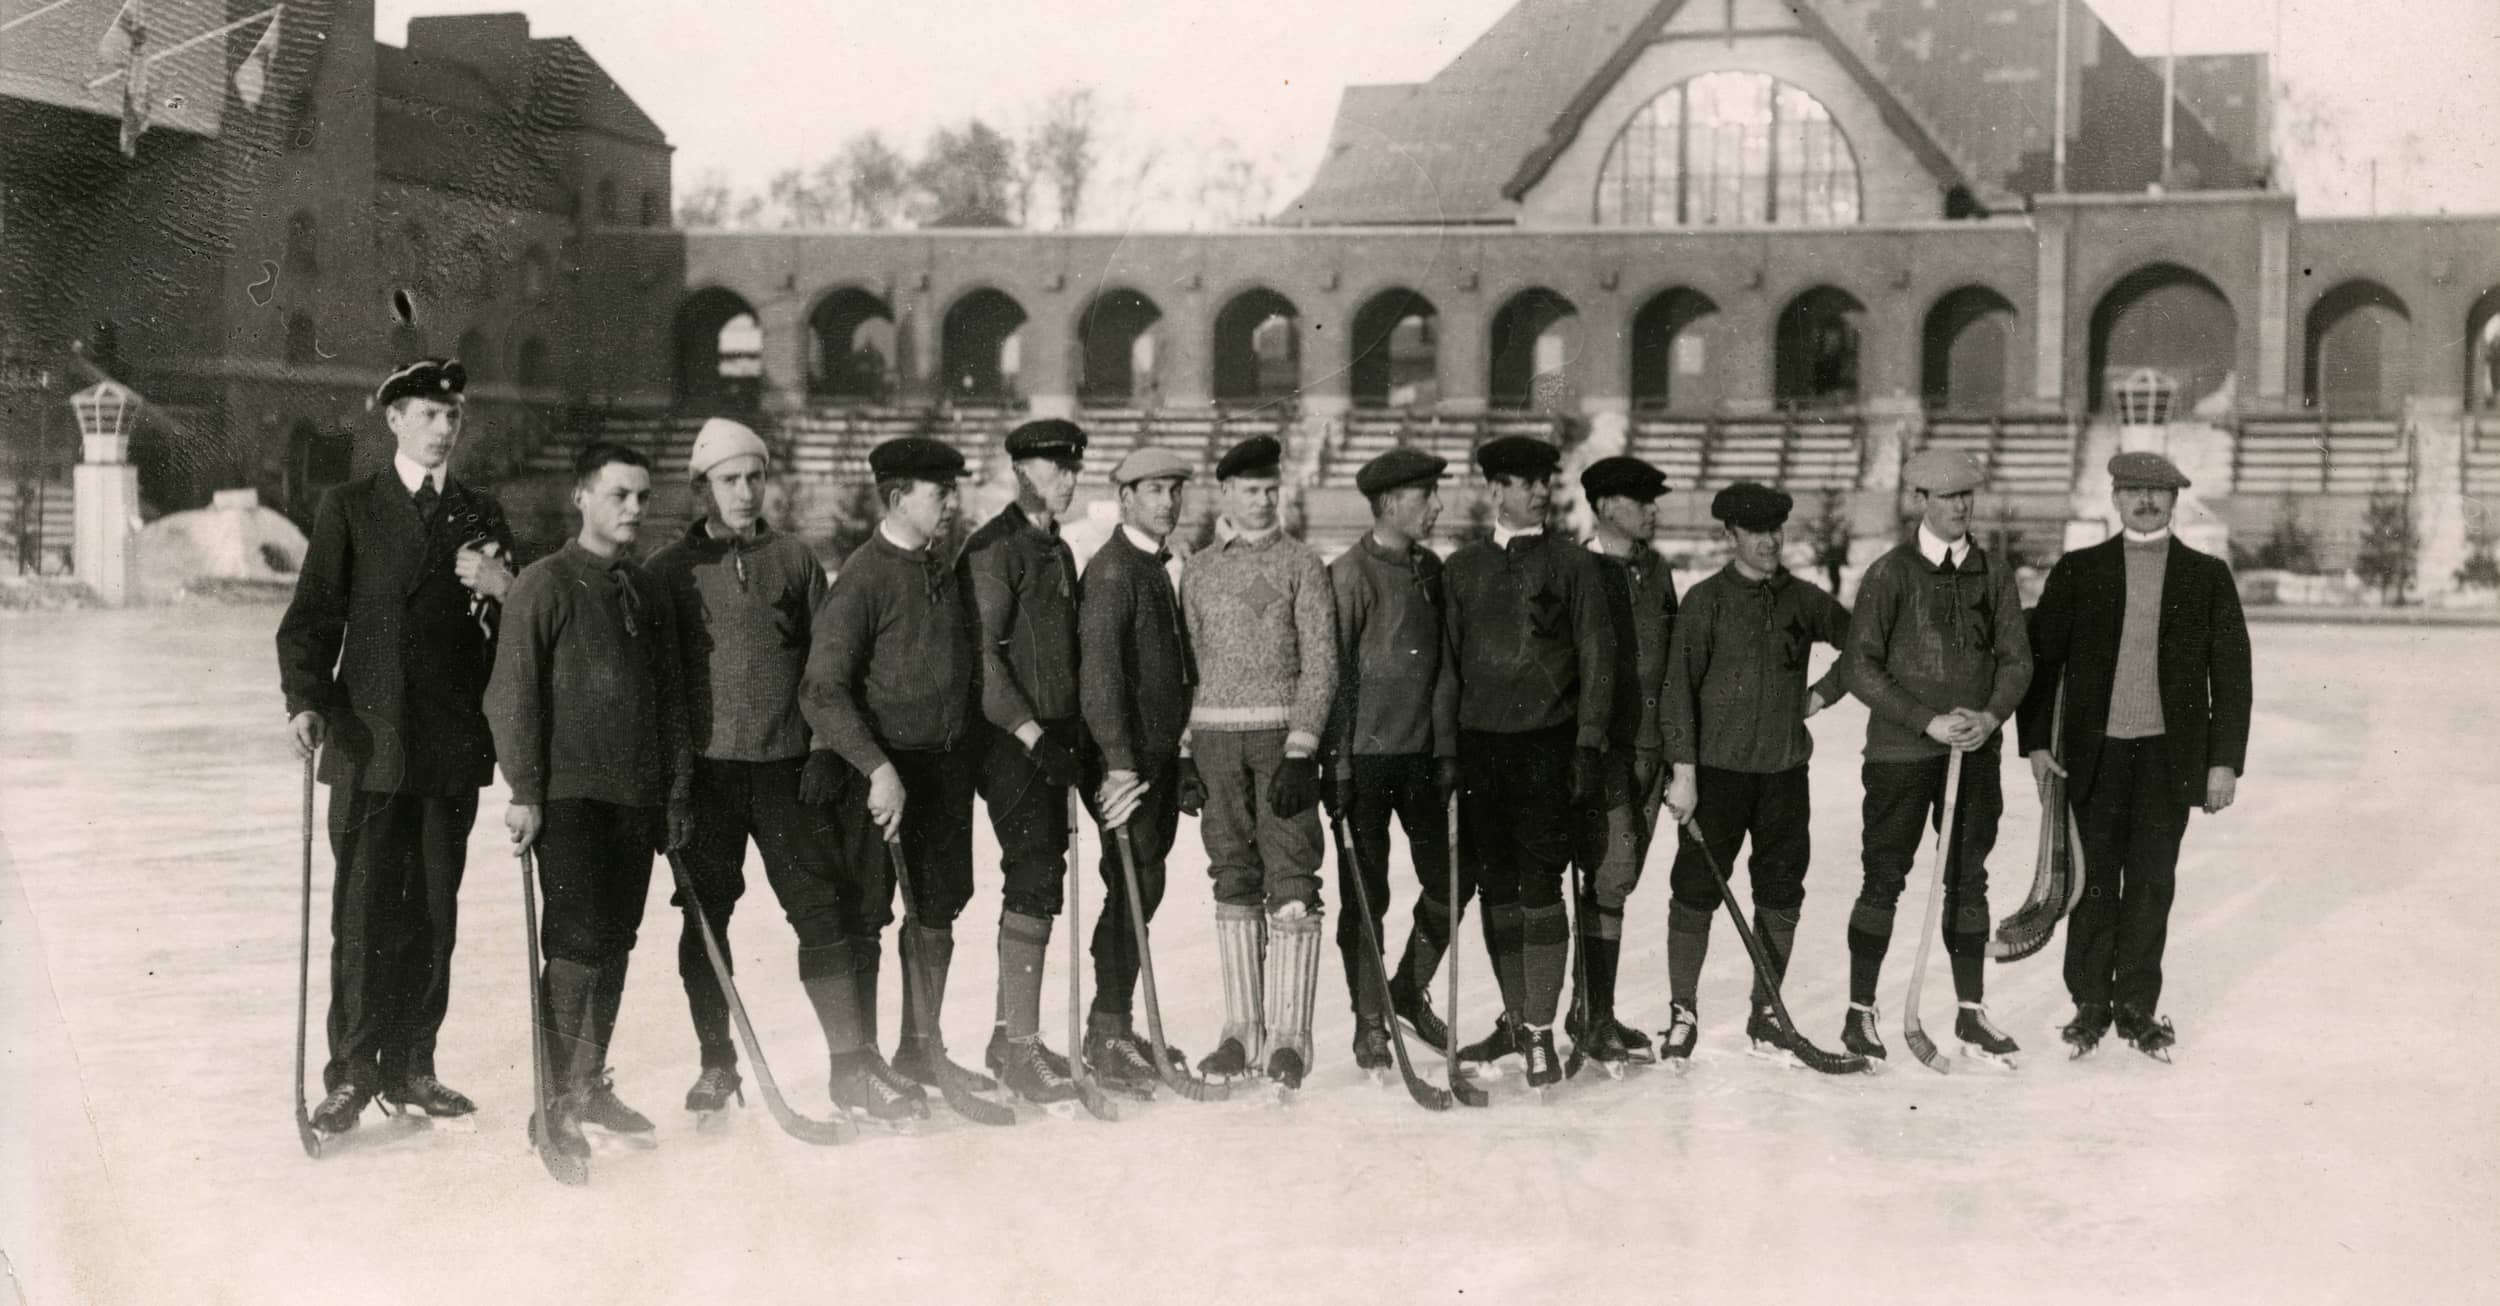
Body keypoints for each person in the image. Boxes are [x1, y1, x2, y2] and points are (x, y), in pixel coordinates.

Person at [276, 357, 516, 1136]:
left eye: (453, 416)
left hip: (449, 749)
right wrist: (305, 699)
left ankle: (414, 1066)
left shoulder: (481, 515)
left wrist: (502, 588)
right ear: (393, 421)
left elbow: (512, 641)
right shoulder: (351, 507)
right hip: (368, 743)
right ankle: (350, 1074)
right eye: (428, 414)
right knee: (364, 912)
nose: (444, 429)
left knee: (435, 917)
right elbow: (313, 615)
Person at [486, 441, 690, 1161]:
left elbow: (668, 702)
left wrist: (672, 795)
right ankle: (555, 1101)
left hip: (634, 800)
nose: (635, 508)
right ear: (582, 498)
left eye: (642, 496)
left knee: (616, 943)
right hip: (569, 799)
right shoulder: (543, 584)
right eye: (618, 495)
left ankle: (587, 1080)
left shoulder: (642, 589)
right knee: (575, 945)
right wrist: (526, 791)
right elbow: (510, 696)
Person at [644, 418, 852, 1115]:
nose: (744, 491)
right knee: (705, 919)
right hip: (706, 775)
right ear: (703, 487)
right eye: (730, 480)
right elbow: (659, 686)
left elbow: (826, 670)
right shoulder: (670, 572)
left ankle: (849, 1064)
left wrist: (823, 750)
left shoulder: (795, 560)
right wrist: (672, 789)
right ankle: (717, 1063)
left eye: (755, 477)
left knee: (821, 911)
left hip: (788, 770)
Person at [2019, 452, 2250, 1059]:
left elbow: (2232, 676)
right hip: (2093, 757)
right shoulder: (2079, 571)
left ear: (2175, 501)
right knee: (2092, 883)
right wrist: (2038, 743)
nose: (2146, 501)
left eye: (2158, 491)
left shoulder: (2207, 576)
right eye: (2134, 491)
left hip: (2168, 760)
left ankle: (2138, 1008)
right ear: (2115, 499)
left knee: (2151, 883)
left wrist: (2223, 761)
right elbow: (2042, 662)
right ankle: (2091, 1005)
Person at [798, 437, 990, 1125]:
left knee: (939, 905)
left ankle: (918, 1047)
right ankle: (866, 1062)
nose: (951, 503)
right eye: (938, 492)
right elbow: (821, 689)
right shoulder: (864, 576)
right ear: (896, 498)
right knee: (870, 914)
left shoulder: (937, 565)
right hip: (884, 773)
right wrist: (875, 768)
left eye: (952, 490)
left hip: (942, 770)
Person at [1839, 448, 2032, 1065]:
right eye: (1947, 497)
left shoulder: (1992, 574)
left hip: (1973, 752)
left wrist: (1990, 715)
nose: (1960, 507)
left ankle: (1971, 1014)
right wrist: (1924, 719)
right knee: (1884, 878)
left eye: (1966, 496)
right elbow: (1858, 666)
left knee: (1968, 879)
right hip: (1900, 753)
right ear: (1919, 499)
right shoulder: (1889, 573)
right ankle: (1859, 1013)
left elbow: (2016, 659)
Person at [1656, 482, 1851, 1064]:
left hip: (1784, 775)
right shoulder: (1705, 602)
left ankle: (1767, 1011)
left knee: (1781, 892)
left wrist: (1823, 693)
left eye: (1775, 530)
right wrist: (1683, 773)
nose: (1768, 542)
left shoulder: (1805, 600)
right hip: (1717, 776)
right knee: (1693, 892)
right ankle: (1682, 1010)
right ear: (1731, 536)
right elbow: (1676, 694)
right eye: (1755, 532)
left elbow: (1866, 644)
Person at [1445, 435, 1615, 1091]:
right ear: (1495, 490)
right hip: (1482, 750)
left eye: (1545, 478)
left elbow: (1598, 660)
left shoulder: (1574, 566)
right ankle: (1516, 1016)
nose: (1539, 490)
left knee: (1542, 885)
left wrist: (1588, 743)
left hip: (1549, 747)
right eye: (1523, 480)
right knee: (1497, 889)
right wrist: (1446, 753)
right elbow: (1449, 670)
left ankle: (1542, 1030)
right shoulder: (1462, 569)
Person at [1179, 435, 1339, 1091]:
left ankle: (1290, 1038)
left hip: (1280, 742)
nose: (1262, 499)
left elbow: (1322, 661)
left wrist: (1303, 745)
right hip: (1214, 741)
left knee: (1292, 877)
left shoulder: (1304, 563)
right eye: (1249, 489)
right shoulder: (1198, 570)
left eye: (1270, 488)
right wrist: (1184, 751)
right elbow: (1187, 665)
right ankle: (1240, 1030)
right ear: (1225, 494)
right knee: (1233, 875)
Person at [960, 418, 1091, 1105]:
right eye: (1055, 468)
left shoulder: (1057, 550)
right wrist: (1036, 737)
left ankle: (1012, 1033)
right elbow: (981, 660)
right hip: (1011, 744)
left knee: (1043, 875)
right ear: (1020, 472)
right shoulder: (994, 549)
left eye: (1073, 467)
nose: (1068, 479)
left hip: (1053, 741)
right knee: (1034, 874)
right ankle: (1019, 1048)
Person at [1322, 447, 1459, 1071]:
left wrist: (1446, 751)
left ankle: (1408, 983)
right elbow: (1335, 676)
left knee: (1453, 879)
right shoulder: (1349, 574)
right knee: (1365, 894)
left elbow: (1444, 669)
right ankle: (1370, 1020)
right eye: (1425, 496)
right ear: (1389, 504)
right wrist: (1340, 766)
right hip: (1365, 763)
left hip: (1424, 760)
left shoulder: (1433, 570)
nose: (1436, 506)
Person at [1076, 447, 1200, 1093]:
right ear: (1124, 497)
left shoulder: (1157, 566)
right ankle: (1108, 1028)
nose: (1167, 502)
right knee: (1129, 889)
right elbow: (1098, 680)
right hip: (1122, 765)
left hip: (1155, 759)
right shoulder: (1113, 570)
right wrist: (1119, 765)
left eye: (1175, 490)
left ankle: (1114, 1024)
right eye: (1153, 490)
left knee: (1142, 888)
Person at [1566, 455, 1680, 1070]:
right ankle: (1595, 1016)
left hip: (1650, 752)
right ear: (1608, 508)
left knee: (1621, 879)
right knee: (1607, 876)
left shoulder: (1657, 571)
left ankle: (1591, 1008)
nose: (1654, 511)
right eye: (1642, 502)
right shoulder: (1575, 568)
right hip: (1602, 754)